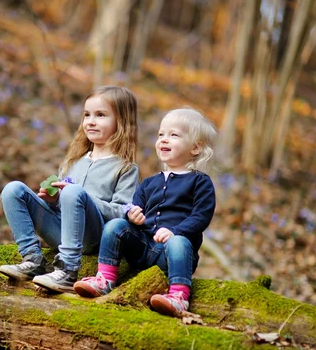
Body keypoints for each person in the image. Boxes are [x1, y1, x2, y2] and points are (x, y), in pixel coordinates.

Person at [73, 107, 217, 318]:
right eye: (161, 135)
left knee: (179, 241)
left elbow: (201, 216)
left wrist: (175, 231)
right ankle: (105, 278)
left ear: (195, 147)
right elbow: (132, 206)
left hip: (171, 255)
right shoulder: (150, 182)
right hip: (142, 248)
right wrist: (132, 215)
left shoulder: (200, 182)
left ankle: (178, 296)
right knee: (115, 225)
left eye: (174, 135)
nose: (164, 140)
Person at [0, 85, 140, 293]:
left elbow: (123, 212)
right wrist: (54, 201)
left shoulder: (125, 168)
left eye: (100, 115)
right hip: (61, 233)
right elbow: (63, 208)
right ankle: (32, 259)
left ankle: (67, 270)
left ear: (121, 121)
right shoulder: (73, 161)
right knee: (13, 190)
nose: (90, 121)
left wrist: (83, 198)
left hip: (93, 238)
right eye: (87, 115)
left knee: (74, 192)